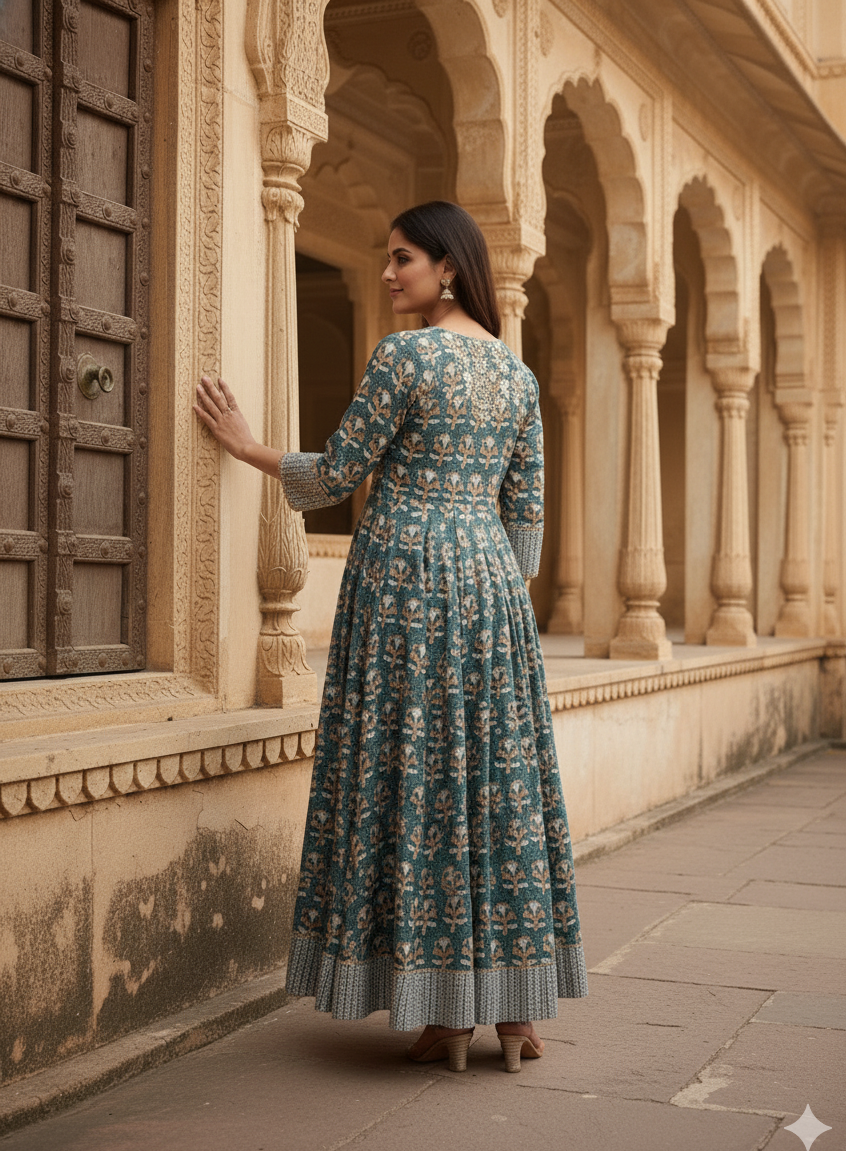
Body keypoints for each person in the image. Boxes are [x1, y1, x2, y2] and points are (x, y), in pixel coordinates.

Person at [194, 201, 588, 1074]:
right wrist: (480, 578)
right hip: (489, 591)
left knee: (419, 779)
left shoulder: (405, 356)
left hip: (406, 582)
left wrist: (247, 446)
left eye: (402, 258)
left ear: (448, 267)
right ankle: (516, 1013)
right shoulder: (517, 379)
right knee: (496, 785)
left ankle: (444, 1010)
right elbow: (527, 528)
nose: (387, 273)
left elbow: (337, 472)